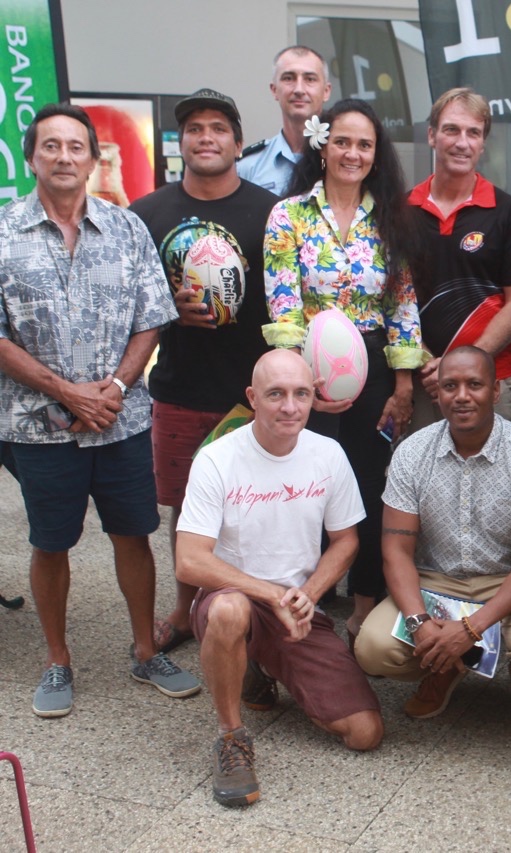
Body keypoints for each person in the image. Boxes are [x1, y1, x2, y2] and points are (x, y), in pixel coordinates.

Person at [0, 103, 198, 718]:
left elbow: (151, 318)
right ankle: (57, 660)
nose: (64, 157)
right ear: (32, 157)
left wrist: (113, 386)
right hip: (38, 426)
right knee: (51, 541)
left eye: (75, 147)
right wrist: (67, 392)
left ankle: (146, 650)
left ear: (93, 158)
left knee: (132, 534)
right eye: (51, 146)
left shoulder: (127, 227)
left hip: (120, 418)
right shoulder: (3, 231)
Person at [175, 349, 382, 808]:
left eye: (301, 394)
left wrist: (308, 595)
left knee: (364, 733)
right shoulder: (217, 457)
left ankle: (262, 663)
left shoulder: (328, 454)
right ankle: (231, 737)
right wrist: (270, 594)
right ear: (252, 398)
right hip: (235, 599)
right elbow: (189, 561)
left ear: (313, 397)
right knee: (231, 611)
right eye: (275, 394)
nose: (289, 407)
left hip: (296, 605)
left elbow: (346, 540)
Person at [263, 97, 425, 642]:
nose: (353, 153)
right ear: (321, 144)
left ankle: (363, 603)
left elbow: (402, 305)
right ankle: (303, 597)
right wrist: (299, 386)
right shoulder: (288, 216)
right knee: (305, 486)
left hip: (375, 372)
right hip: (305, 372)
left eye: (364, 144)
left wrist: (402, 384)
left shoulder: (390, 219)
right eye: (342, 141)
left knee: (367, 484)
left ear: (376, 155)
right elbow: (283, 304)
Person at [130, 88, 277, 655]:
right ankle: (187, 608)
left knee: (260, 504)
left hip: (253, 392)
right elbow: (132, 305)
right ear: (181, 143)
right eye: (195, 129)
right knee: (187, 506)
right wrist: (169, 305)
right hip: (181, 389)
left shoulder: (270, 212)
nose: (207, 137)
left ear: (238, 143)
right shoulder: (146, 215)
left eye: (218, 128)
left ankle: (257, 603)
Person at [355, 346, 511, 730]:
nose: (462, 396)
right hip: (434, 581)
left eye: (474, 384)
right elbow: (396, 551)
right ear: (437, 394)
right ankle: (440, 667)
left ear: (496, 390)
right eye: (450, 386)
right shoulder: (412, 453)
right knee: (373, 649)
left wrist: (470, 629)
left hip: (509, 581)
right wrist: (420, 623)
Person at [408, 88, 511, 428]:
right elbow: (392, 299)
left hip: (490, 380)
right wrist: (426, 362)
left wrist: (459, 366)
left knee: (494, 479)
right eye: (451, 129)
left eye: (473, 133)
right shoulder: (402, 211)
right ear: (432, 135)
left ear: (483, 143)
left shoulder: (508, 212)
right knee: (422, 479)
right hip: (421, 382)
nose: (462, 142)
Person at [237, 45, 332, 196]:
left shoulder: (343, 160)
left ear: (326, 91)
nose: (299, 89)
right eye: (289, 78)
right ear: (274, 90)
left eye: (310, 79)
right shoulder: (247, 167)